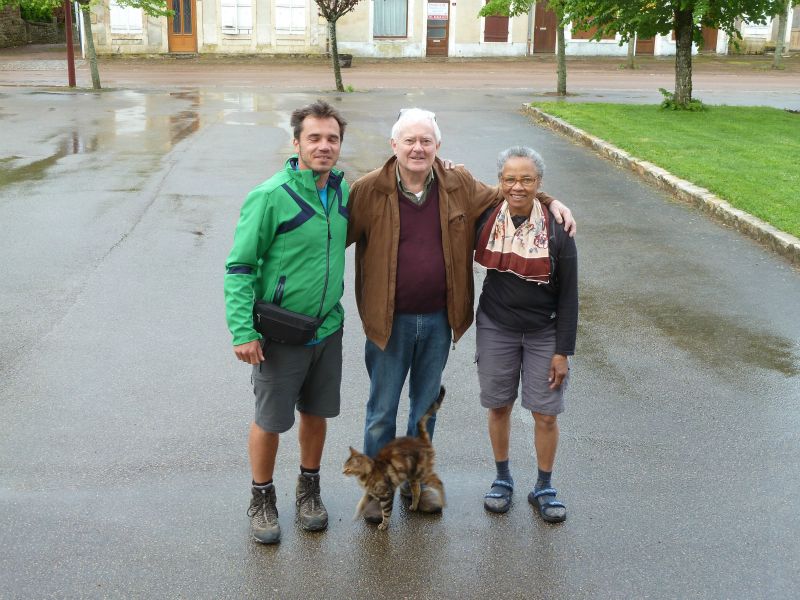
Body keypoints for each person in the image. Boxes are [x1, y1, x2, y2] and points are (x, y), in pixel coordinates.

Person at [346, 109, 576, 523]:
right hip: (388, 323)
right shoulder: (368, 190)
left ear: (438, 147)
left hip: (438, 320)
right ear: (393, 145)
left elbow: (512, 191)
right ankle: (378, 487)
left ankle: (417, 485)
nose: (418, 148)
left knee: (424, 408)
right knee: (382, 409)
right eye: (410, 141)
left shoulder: (457, 183)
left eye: (426, 141)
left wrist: (551, 200)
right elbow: (330, 238)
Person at [224, 100, 349, 544]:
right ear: (296, 142)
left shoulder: (341, 191)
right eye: (314, 137)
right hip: (280, 333)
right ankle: (261, 498)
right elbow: (239, 266)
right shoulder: (271, 195)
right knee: (272, 420)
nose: (323, 145)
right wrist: (243, 330)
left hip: (327, 328)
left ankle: (308, 490)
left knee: (316, 414)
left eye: (332, 138)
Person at [474, 146, 578, 523]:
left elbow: (569, 296)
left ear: (539, 183)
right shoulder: (485, 215)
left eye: (527, 179)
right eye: (510, 179)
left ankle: (544, 487)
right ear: (499, 181)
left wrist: (562, 351)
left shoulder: (557, 230)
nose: (518, 186)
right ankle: (502, 479)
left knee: (545, 414)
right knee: (498, 405)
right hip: (495, 325)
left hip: (544, 331)